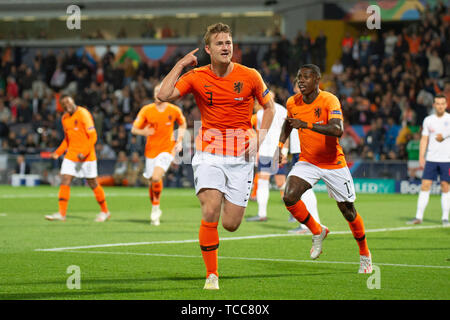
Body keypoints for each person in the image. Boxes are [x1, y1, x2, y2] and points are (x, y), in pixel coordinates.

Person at [157, 22, 275, 290]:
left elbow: (269, 108)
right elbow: (163, 95)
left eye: (229, 42)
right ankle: (212, 275)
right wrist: (180, 65)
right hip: (209, 152)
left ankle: (221, 195)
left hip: (241, 157)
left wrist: (260, 136)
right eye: (220, 43)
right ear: (208, 49)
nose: (226, 47)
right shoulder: (197, 76)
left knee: (231, 224)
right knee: (210, 209)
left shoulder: (251, 75)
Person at [278, 64, 372, 273]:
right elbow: (288, 123)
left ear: (317, 80)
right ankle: (317, 230)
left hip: (333, 164)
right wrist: (280, 145)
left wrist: (307, 125)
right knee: (289, 197)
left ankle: (365, 254)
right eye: (299, 77)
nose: (301, 81)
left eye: (306, 77)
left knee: (348, 211)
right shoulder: (293, 102)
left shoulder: (329, 99)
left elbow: (337, 130)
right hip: (308, 162)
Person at [45, 94, 110, 222]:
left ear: (73, 100)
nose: (66, 105)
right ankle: (61, 213)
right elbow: (67, 140)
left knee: (93, 183)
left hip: (87, 156)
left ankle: (105, 211)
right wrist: (58, 152)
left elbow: (93, 136)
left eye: (68, 102)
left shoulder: (83, 114)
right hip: (71, 155)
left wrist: (84, 152)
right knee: (65, 179)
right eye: (63, 104)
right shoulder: (64, 118)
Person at [131, 83, 187, 226]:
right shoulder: (147, 110)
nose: (158, 93)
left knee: (156, 177)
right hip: (150, 151)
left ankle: (155, 209)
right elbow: (134, 129)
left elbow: (182, 124)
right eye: (156, 91)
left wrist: (179, 140)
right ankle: (155, 207)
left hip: (167, 149)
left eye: (161, 91)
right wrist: (144, 132)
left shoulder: (173, 110)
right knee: (151, 182)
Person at [407, 94, 450, 227]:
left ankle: (445, 218)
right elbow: (424, 139)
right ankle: (418, 217)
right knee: (425, 186)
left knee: (445, 187)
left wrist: (444, 136)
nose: (440, 106)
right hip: (431, 159)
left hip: (446, 159)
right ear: (434, 105)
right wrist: (421, 156)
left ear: (446, 105)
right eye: (438, 103)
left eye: (443, 103)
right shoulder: (428, 120)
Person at [286, 80, 321, 234]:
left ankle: (309, 225)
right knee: (303, 188)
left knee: (302, 188)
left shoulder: (307, 104)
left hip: (303, 149)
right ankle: (312, 224)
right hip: (297, 149)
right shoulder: (296, 104)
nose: (296, 88)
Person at [246, 92, 287, 222]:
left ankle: (295, 213)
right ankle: (261, 214)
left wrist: (284, 151)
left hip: (277, 151)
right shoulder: (259, 113)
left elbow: (286, 131)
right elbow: (260, 134)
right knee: (263, 181)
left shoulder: (282, 111)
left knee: (281, 183)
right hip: (265, 151)